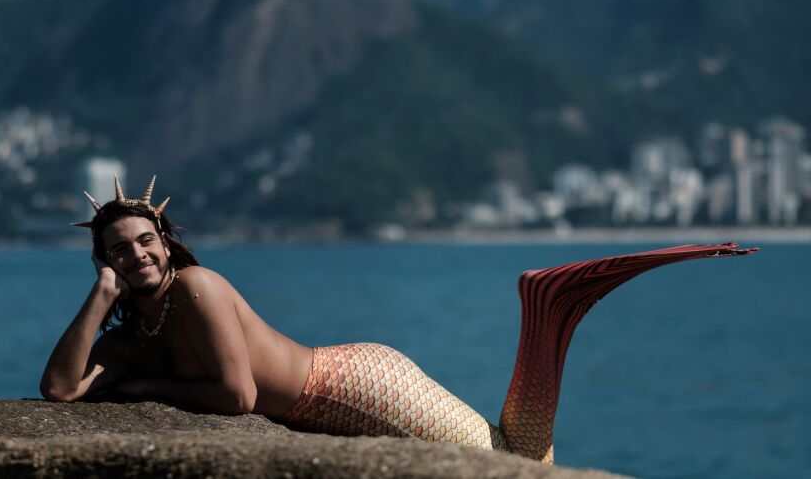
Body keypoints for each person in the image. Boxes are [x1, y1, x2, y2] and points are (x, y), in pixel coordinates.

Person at [40, 176, 757, 464]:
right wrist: (100, 298)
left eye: (143, 241)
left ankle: (547, 303)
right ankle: (552, 307)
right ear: (104, 263)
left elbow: (237, 398)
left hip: (354, 386)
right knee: (515, 457)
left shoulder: (198, 288)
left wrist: (146, 391)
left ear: (166, 242)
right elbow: (60, 391)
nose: (135, 255)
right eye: (117, 252)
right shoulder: (136, 331)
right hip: (332, 406)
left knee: (518, 461)